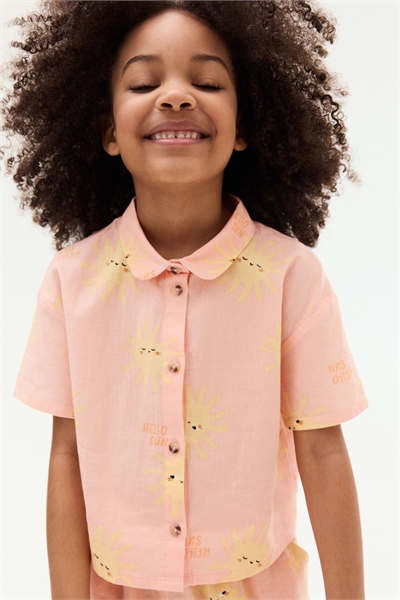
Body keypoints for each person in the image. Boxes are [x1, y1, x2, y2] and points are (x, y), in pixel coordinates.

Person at [2, 1, 367, 598]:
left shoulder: (291, 278)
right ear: (107, 130)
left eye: (208, 82)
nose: (175, 97)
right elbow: (66, 457)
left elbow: (323, 453)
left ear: (245, 125)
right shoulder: (71, 283)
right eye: (144, 83)